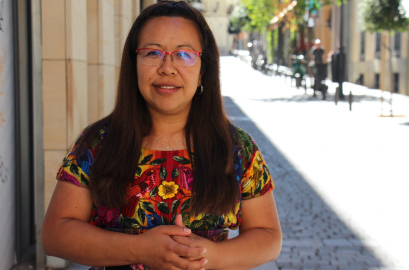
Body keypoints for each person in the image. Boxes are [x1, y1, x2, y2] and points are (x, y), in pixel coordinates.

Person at [41, 1, 282, 270]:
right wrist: (140, 249)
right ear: (134, 64)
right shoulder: (98, 143)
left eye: (184, 54)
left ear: (203, 70)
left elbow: (268, 236)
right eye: (153, 53)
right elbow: (55, 235)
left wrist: (207, 255)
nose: (167, 67)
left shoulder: (236, 148)